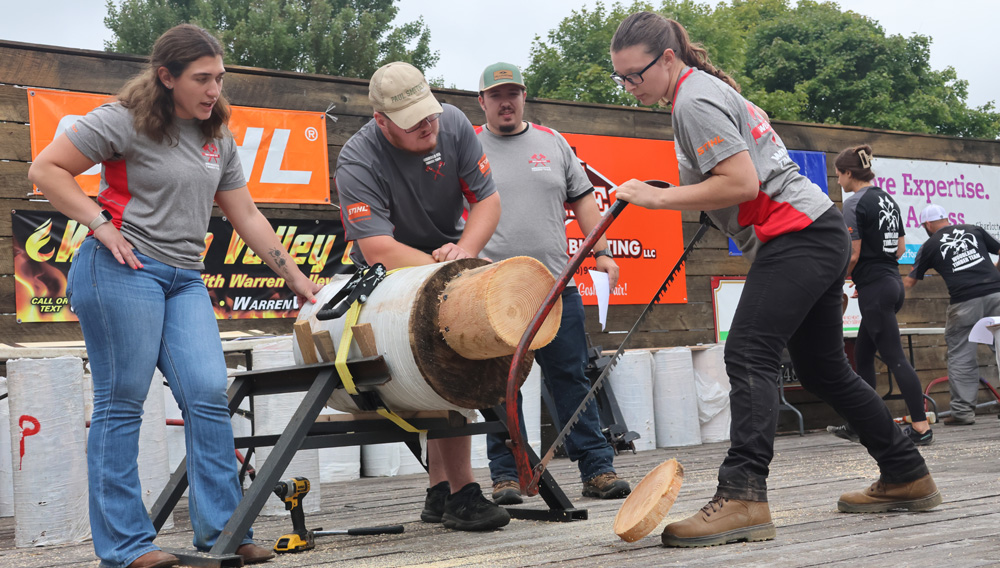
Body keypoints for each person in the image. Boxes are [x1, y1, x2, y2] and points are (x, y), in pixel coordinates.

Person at [608, 11, 941, 548]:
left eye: (635, 74)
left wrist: (661, 198)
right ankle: (906, 472)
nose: (628, 87)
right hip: (817, 229)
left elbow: (739, 182)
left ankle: (743, 496)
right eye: (619, 78)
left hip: (800, 235)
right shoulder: (701, 91)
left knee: (748, 351)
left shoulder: (693, 100)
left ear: (667, 58)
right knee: (824, 368)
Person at [27, 24, 314, 568]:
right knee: (123, 400)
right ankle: (127, 545)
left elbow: (246, 214)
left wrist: (296, 279)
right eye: (202, 79)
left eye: (220, 78)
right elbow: (46, 169)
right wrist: (100, 223)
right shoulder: (123, 120)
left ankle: (224, 533)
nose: (214, 90)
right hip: (120, 269)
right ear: (166, 77)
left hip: (184, 278)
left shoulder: (218, 137)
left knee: (208, 391)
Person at [335, 61, 509, 531]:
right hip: (389, 270)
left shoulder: (451, 122)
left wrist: (464, 256)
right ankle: (463, 493)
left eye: (428, 113)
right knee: (439, 362)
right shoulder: (357, 157)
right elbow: (376, 247)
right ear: (381, 121)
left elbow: (487, 201)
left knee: (459, 357)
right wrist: (444, 271)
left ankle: (440, 491)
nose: (427, 125)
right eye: (413, 122)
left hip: (448, 256)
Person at [473, 62, 631, 504]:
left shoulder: (553, 142)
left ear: (524, 96)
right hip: (492, 290)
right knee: (499, 385)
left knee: (571, 378)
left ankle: (597, 469)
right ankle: (509, 475)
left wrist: (602, 253)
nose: (506, 102)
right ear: (481, 100)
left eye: (513, 93)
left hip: (554, 286)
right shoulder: (467, 145)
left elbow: (584, 202)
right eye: (496, 95)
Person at [827, 145, 932, 445]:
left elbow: (854, 253)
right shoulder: (888, 199)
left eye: (838, 175)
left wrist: (839, 280)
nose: (838, 181)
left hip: (876, 289)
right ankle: (862, 424)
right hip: (891, 283)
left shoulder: (853, 203)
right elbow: (899, 249)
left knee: (895, 358)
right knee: (862, 354)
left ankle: (922, 428)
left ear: (849, 173)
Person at [904, 204, 1000, 425]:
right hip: (997, 295)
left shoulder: (929, 245)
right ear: (946, 219)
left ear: (928, 225)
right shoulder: (974, 230)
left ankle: (963, 412)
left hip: (965, 302)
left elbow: (909, 281)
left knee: (961, 355)